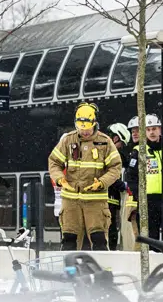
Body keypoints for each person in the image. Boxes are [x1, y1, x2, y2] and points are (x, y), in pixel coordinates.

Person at [48, 102, 122, 251]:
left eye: (87, 128)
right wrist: (59, 179)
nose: (85, 132)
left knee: (99, 241)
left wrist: (102, 182)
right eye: (81, 128)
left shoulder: (105, 142)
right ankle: (70, 266)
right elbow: (54, 162)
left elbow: (115, 167)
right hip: (71, 202)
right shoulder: (68, 140)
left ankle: (100, 266)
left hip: (96, 202)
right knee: (69, 241)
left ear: (94, 123)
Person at [126, 114, 163, 244]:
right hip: (149, 200)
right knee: (151, 238)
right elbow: (131, 177)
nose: (151, 132)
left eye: (154, 129)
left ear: (160, 129)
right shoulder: (139, 151)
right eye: (148, 129)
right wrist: (139, 195)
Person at [105, 122, 132, 250]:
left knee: (112, 227)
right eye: (121, 143)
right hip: (106, 197)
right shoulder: (106, 153)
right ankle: (110, 250)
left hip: (113, 197)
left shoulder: (118, 155)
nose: (121, 146)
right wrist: (123, 185)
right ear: (116, 138)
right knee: (109, 227)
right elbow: (108, 176)